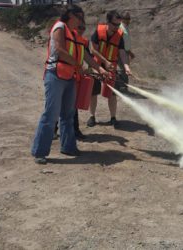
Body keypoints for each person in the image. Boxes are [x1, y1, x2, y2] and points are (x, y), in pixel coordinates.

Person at [31, 5, 105, 165]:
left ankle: (68, 147)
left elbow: (86, 55)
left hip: (70, 77)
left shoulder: (75, 34)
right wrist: (79, 66)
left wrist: (100, 69)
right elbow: (59, 49)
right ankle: (40, 151)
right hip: (55, 76)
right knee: (51, 115)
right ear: (70, 15)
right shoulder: (59, 27)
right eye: (79, 17)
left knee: (68, 115)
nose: (81, 21)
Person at [53, 19, 107, 140]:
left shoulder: (83, 42)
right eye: (79, 27)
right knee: (58, 105)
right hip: (61, 76)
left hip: (74, 77)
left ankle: (75, 130)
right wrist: (81, 67)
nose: (82, 30)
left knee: (73, 106)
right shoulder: (65, 38)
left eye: (84, 28)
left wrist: (99, 70)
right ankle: (53, 129)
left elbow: (89, 57)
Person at [86, 10, 132, 128]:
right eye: (115, 24)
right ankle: (92, 117)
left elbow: (122, 53)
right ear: (108, 22)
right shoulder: (98, 32)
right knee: (93, 92)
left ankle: (113, 117)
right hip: (96, 64)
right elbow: (93, 50)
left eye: (119, 24)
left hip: (111, 66)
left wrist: (126, 67)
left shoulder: (119, 35)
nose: (117, 27)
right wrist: (105, 62)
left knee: (112, 93)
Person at [117, 11, 135, 90]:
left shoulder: (126, 28)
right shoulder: (120, 28)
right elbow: (118, 42)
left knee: (125, 70)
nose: (129, 20)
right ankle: (122, 87)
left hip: (126, 52)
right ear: (122, 19)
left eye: (129, 18)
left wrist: (130, 52)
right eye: (127, 18)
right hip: (121, 53)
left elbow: (126, 42)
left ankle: (123, 86)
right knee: (122, 70)